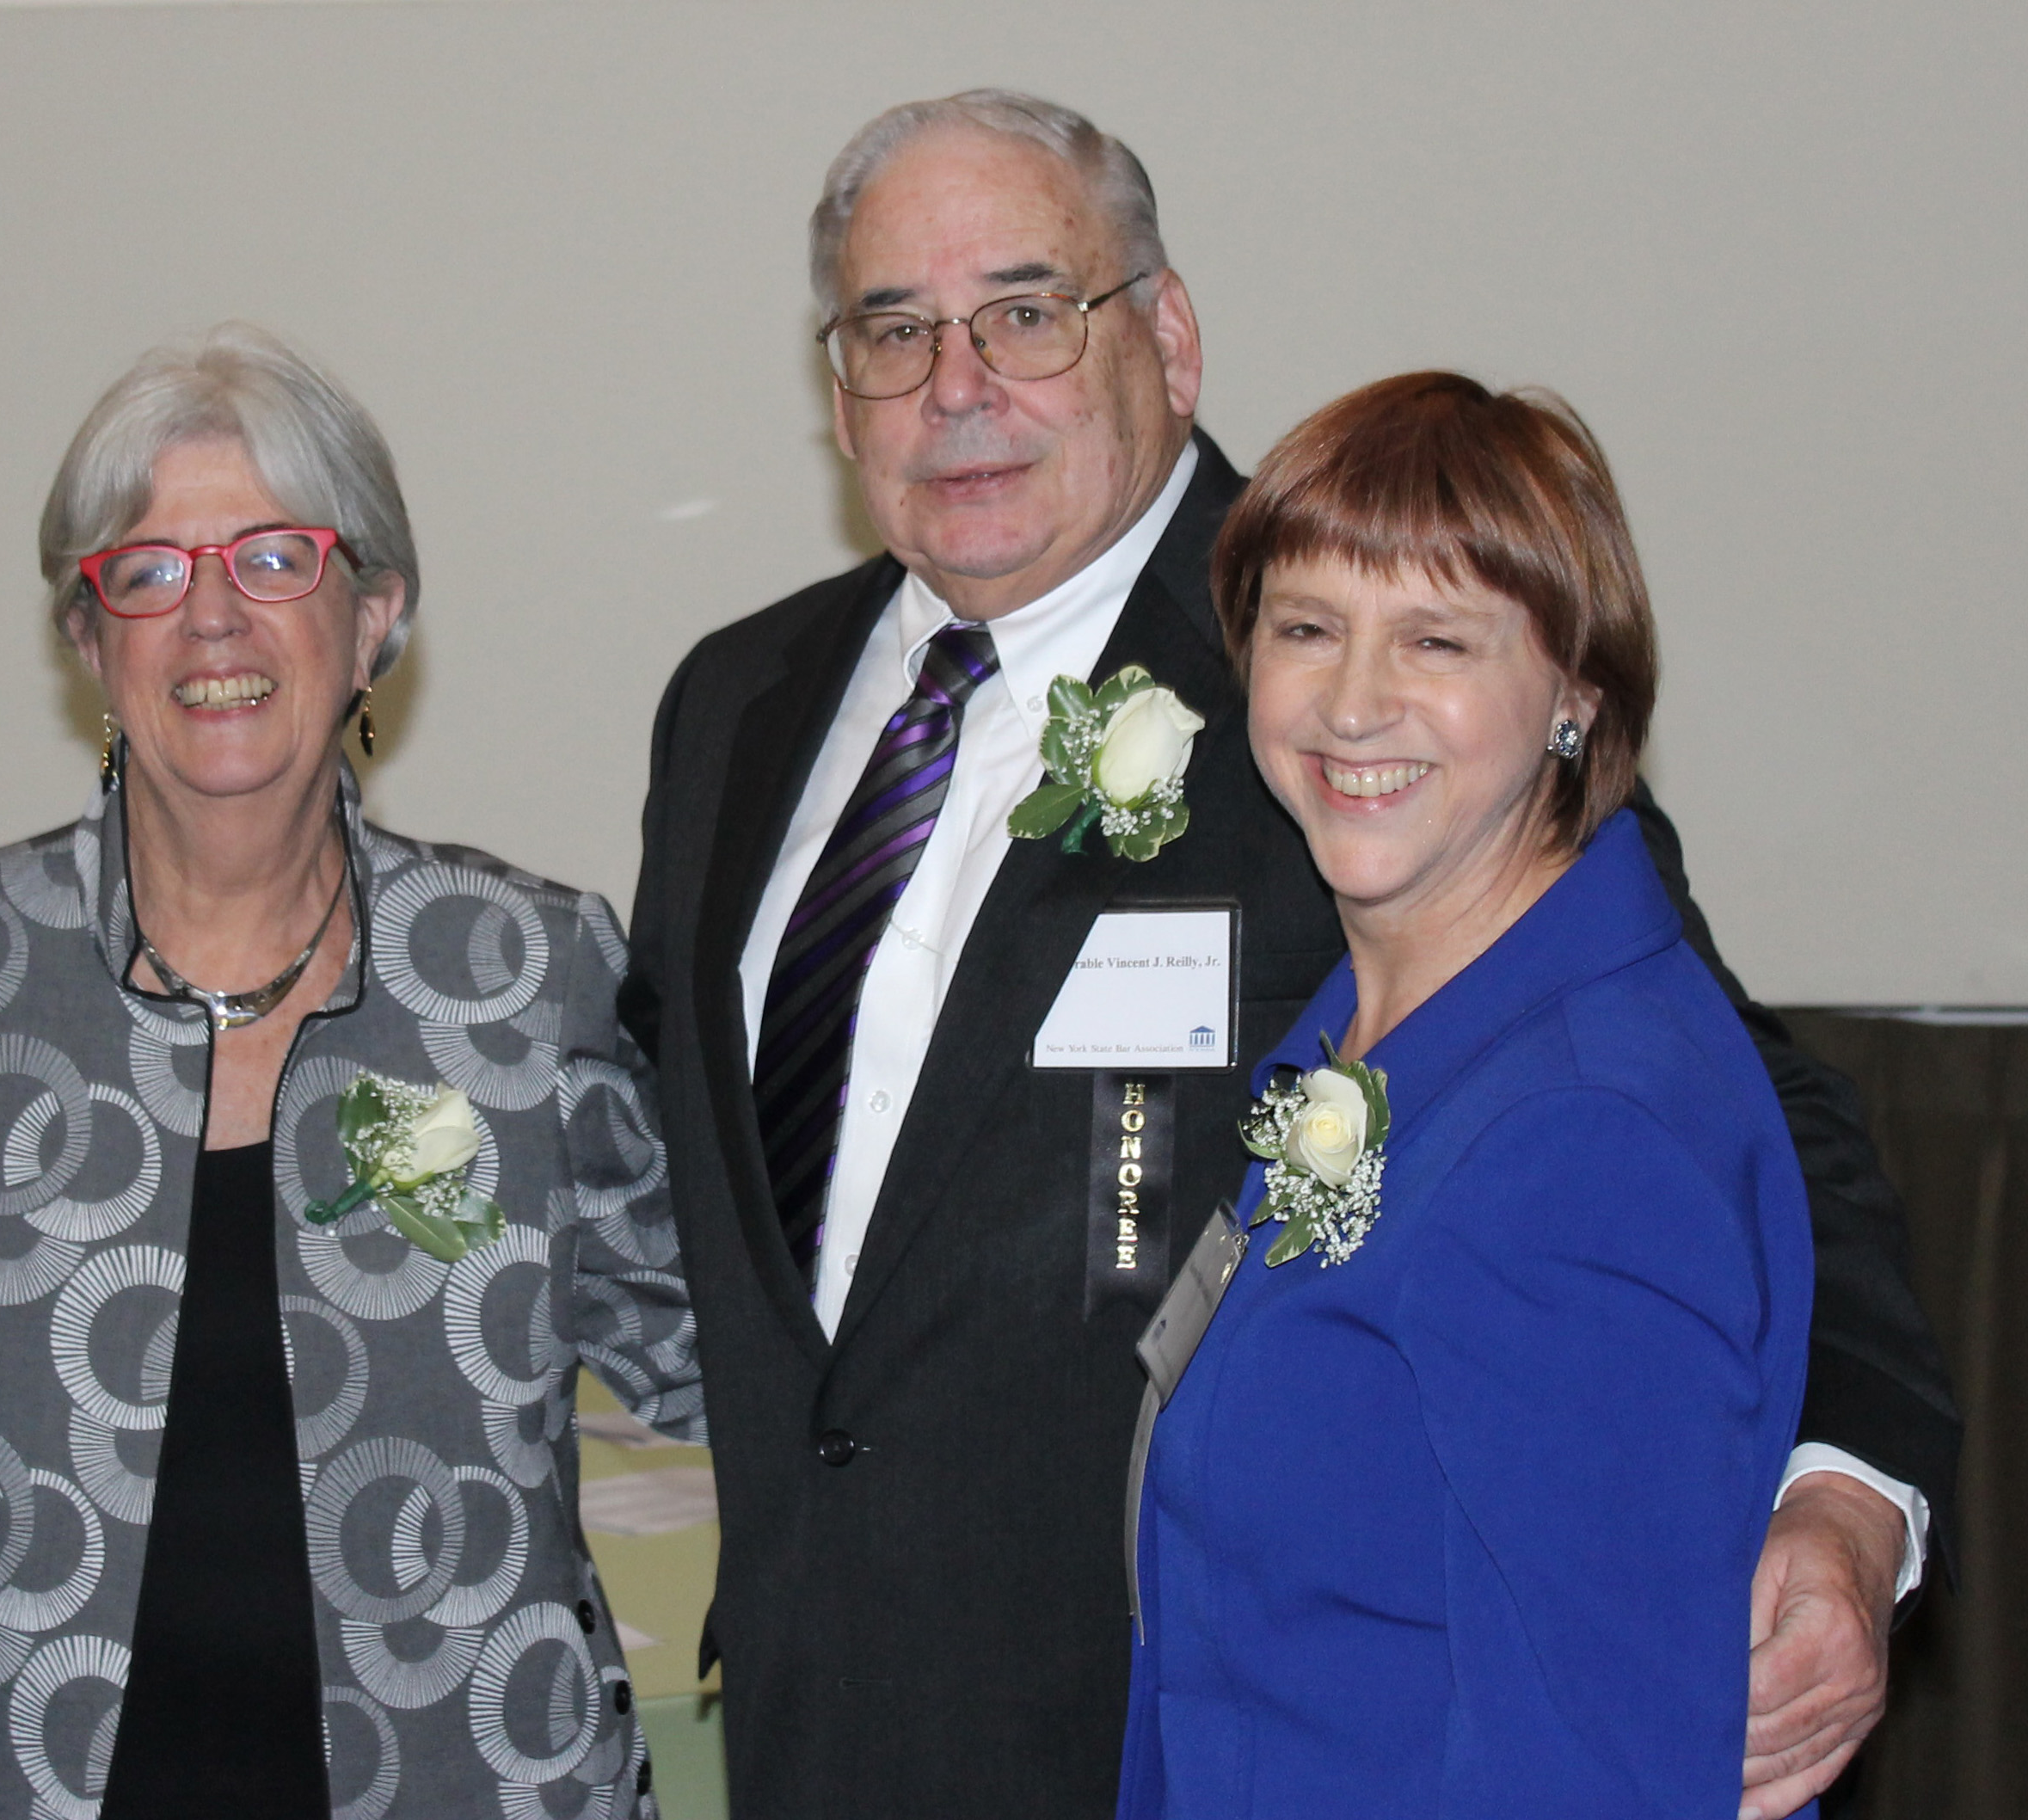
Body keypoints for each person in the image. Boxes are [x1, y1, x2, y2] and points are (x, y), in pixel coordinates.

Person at [619, 89, 1957, 1817]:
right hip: (816, 1730)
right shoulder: (735, 706)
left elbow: (1737, 1131)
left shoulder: (1361, 697)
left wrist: (1845, 1498)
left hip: (1224, 1739)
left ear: (1168, 338)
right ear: (837, 388)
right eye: (896, 330)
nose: (958, 386)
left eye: (1027, 312)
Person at [0, 323, 699, 1820]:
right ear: (89, 639)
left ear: (373, 616)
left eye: (273, 559)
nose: (212, 620)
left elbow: (719, 1358)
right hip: (13, 1781)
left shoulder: (522, 973)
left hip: (470, 1780)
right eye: (149, 571)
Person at [1117, 371, 1810, 1814]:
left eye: (1436, 639)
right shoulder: (1383, 1033)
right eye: (1307, 628)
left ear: (1577, 693)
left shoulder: (1583, 1137)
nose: (1354, 702)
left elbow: (1611, 1772)